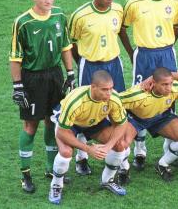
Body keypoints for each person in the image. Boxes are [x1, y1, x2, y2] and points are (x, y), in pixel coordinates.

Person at [9, 0, 74, 193]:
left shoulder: (59, 15)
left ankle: (49, 168)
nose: (48, 1)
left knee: (52, 122)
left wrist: (70, 73)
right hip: (32, 79)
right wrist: (18, 85)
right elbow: (15, 57)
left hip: (55, 76)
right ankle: (25, 174)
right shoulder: (23, 22)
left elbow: (65, 46)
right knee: (31, 126)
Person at [120, 0, 178, 170]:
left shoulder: (175, 0)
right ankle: (140, 147)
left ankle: (169, 149)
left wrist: (169, 45)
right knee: (141, 98)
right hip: (144, 54)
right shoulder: (134, 2)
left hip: (166, 52)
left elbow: (177, 26)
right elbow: (122, 28)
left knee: (168, 93)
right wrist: (132, 53)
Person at [48, 70, 135, 204]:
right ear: (93, 87)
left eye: (111, 88)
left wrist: (108, 146)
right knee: (66, 152)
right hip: (70, 125)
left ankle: (107, 181)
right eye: (104, 89)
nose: (109, 93)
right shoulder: (76, 101)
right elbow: (61, 132)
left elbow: (122, 124)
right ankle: (56, 185)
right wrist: (88, 149)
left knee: (120, 145)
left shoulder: (114, 98)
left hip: (94, 121)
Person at [68, 0, 125, 175]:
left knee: (117, 106)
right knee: (85, 111)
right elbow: (71, 44)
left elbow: (118, 33)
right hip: (90, 66)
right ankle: (82, 157)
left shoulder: (118, 9)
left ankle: (120, 156)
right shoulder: (80, 15)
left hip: (114, 64)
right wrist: (82, 62)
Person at [119, 67, 178, 184]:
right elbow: (115, 101)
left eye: (170, 83)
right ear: (153, 83)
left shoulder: (175, 90)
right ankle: (124, 168)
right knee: (121, 144)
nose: (168, 88)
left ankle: (162, 164)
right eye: (164, 84)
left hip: (161, 117)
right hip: (136, 119)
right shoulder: (137, 94)